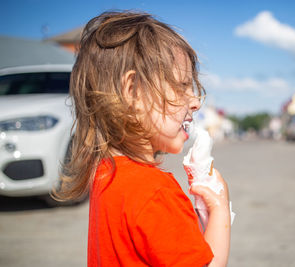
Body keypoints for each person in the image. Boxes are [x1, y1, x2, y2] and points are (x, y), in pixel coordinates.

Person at [54, 11, 231, 267]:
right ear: (133, 91)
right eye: (181, 86)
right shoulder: (156, 193)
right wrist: (219, 211)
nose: (195, 103)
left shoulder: (106, 174)